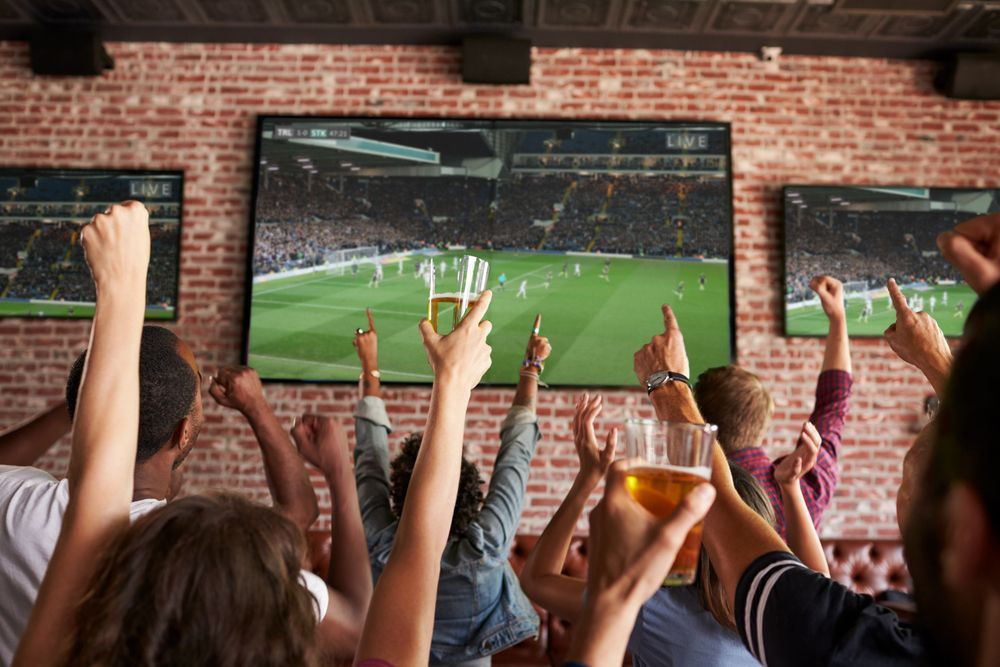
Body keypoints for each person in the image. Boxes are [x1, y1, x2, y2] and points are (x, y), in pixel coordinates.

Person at [0, 326, 369, 658]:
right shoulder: (209, 557)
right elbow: (355, 628)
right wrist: (338, 472)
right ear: (184, 432)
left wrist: (90, 400)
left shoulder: (14, 504)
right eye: (197, 381)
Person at [519, 393, 829, 667]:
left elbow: (537, 580)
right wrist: (790, 487)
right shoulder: (780, 615)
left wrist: (587, 478)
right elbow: (819, 580)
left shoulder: (652, 606)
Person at [352, 308, 548, 665]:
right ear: (472, 491)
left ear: (399, 489)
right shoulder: (486, 546)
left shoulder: (383, 542)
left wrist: (370, 367)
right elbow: (516, 456)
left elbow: (369, 459)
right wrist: (530, 369)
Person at [695, 275, 851, 538]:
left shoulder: (692, 499)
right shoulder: (805, 484)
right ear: (762, 421)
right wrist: (838, 319)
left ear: (699, 423)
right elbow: (834, 402)